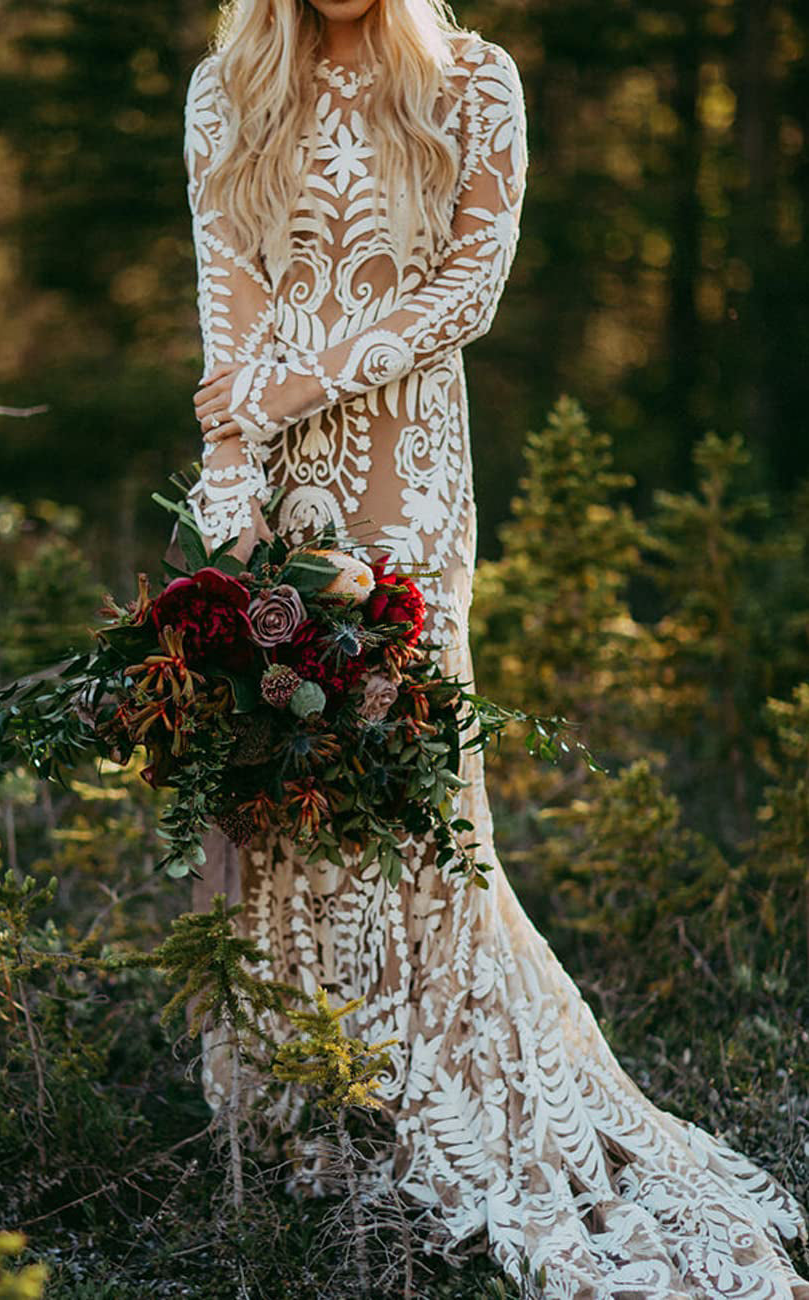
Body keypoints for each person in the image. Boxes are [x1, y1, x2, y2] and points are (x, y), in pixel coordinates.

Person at [181, 0, 809, 1292]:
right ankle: (315, 1099)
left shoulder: (475, 79)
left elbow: (473, 286)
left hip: (412, 480)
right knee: (288, 780)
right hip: (283, 486)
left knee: (408, 781)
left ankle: (432, 1085)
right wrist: (229, 487)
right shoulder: (224, 89)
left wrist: (316, 378)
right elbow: (227, 318)